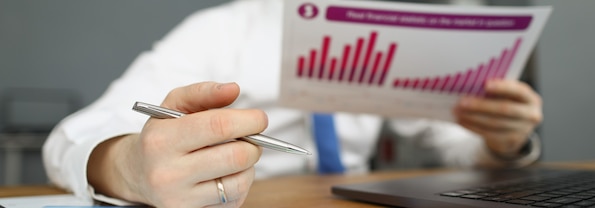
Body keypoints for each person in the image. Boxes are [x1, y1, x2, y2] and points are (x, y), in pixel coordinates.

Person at [42, 0, 543, 207]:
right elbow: (66, 140)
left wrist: (502, 143)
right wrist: (130, 168)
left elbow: (450, 147)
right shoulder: (221, 29)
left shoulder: (387, 30)